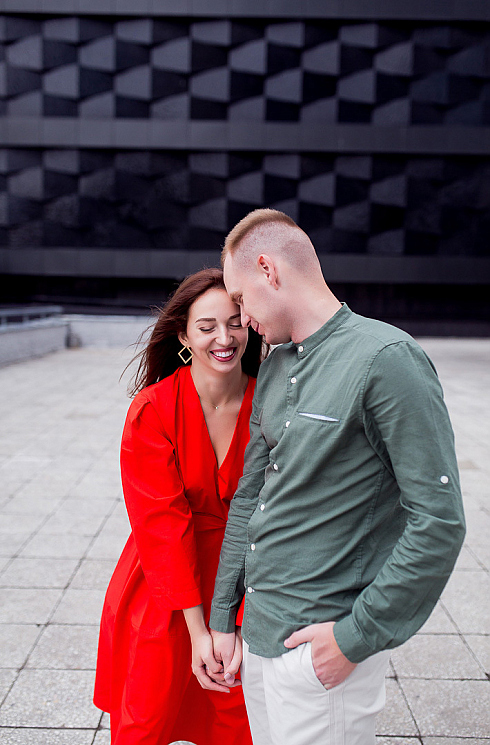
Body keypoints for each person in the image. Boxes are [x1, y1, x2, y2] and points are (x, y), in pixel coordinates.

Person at [202, 209, 466, 745]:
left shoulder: (387, 358)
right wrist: (223, 617)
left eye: (241, 298)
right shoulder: (276, 364)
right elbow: (250, 498)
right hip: (257, 639)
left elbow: (439, 521)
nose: (241, 317)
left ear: (268, 269)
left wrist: (355, 637)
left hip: (321, 650)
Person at [94, 267, 265, 745]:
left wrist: (232, 619)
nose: (224, 338)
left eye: (235, 323)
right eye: (207, 327)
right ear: (184, 335)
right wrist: (199, 631)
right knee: (147, 718)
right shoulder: (153, 408)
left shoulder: (271, 402)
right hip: (166, 588)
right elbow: (161, 525)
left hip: (250, 580)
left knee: (241, 721)